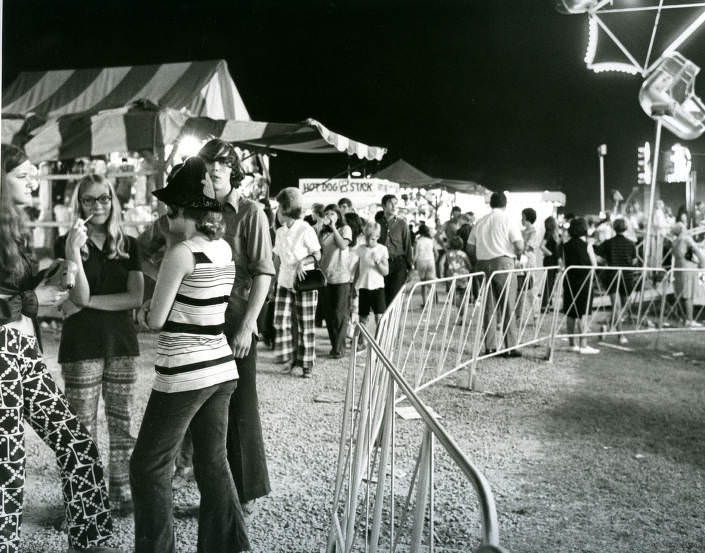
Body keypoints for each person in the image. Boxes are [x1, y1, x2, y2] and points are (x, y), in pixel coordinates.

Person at [0, 144, 121, 553]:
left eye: (34, 174)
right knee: (8, 468)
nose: (33, 181)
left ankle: (90, 540)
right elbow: (23, 297)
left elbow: (24, 289)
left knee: (76, 442)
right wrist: (37, 298)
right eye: (22, 176)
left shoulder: (15, 227)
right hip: (2, 355)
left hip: (24, 351)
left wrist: (68, 256)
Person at [131, 157, 249, 553]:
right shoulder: (223, 249)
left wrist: (146, 307)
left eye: (170, 210)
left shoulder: (180, 253)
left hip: (184, 371)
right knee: (213, 463)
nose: (166, 216)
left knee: (149, 466)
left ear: (185, 211)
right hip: (219, 367)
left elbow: (156, 320)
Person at [55, 174, 144, 514]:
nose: (98, 206)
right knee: (80, 429)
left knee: (122, 425)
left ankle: (121, 496)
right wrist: (72, 251)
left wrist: (87, 302)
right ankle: (83, 506)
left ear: (113, 200)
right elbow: (73, 292)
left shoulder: (128, 244)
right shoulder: (66, 242)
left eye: (104, 198)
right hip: (81, 346)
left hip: (121, 344)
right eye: (90, 200)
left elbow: (134, 297)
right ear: (79, 205)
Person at [467, 191, 524, 357]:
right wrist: (518, 255)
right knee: (507, 305)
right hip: (503, 263)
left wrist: (479, 259)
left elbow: (470, 247)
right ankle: (510, 347)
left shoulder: (481, 221)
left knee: (488, 307)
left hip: (483, 264)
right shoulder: (507, 219)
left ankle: (490, 347)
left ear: (490, 204)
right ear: (505, 204)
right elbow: (519, 245)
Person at [273, 187, 321, 378]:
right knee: (280, 321)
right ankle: (289, 359)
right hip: (284, 281)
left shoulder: (305, 228)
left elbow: (317, 254)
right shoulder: (279, 232)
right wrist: (271, 282)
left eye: (279, 207)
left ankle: (307, 364)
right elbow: (276, 259)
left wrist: (304, 262)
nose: (277, 212)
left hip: (305, 282)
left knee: (306, 324)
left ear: (287, 209)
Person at [594, 218, 637, 344]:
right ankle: (620, 334)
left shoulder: (608, 243)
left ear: (614, 228)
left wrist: (603, 261)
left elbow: (596, 253)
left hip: (612, 276)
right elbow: (634, 261)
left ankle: (608, 326)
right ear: (626, 228)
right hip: (627, 277)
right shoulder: (631, 243)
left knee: (616, 306)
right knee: (622, 306)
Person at [319, 204, 353, 358]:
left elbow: (343, 245)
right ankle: (336, 345)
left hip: (341, 277)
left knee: (340, 313)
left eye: (332, 213)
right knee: (329, 314)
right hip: (325, 277)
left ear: (338, 215)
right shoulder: (322, 233)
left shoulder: (344, 229)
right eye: (327, 213)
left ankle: (339, 348)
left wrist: (333, 228)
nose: (329, 216)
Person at [562, 217, 599, 354]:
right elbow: (594, 264)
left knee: (571, 313)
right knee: (583, 314)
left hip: (570, 282)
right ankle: (583, 344)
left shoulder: (565, 246)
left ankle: (572, 344)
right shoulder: (587, 245)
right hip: (585, 282)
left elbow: (563, 265)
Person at [353, 221, 389, 346]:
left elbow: (385, 272)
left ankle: (380, 342)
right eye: (367, 238)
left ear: (378, 237)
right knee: (363, 317)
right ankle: (362, 342)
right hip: (363, 286)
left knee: (379, 317)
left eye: (373, 238)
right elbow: (357, 268)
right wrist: (354, 284)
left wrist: (378, 262)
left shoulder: (382, 249)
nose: (369, 241)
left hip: (378, 287)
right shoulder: (360, 249)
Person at [378, 194, 412, 304]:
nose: (394, 206)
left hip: (398, 263)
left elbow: (408, 246)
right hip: (382, 263)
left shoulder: (402, 224)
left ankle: (393, 321)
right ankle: (385, 321)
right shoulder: (377, 224)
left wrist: (410, 267)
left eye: (395, 204)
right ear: (383, 206)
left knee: (394, 297)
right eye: (390, 204)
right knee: (383, 297)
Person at [671, 222, 705, 327]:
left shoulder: (675, 241)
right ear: (682, 229)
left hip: (679, 268)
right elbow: (696, 251)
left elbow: (685, 254)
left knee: (682, 294)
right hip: (688, 269)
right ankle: (690, 320)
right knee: (688, 295)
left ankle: (685, 319)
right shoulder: (686, 239)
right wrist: (702, 263)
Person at [439, 235, 472, 306]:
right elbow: (468, 264)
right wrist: (469, 270)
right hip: (463, 276)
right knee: (463, 292)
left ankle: (456, 302)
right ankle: (461, 306)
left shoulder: (447, 254)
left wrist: (441, 274)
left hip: (451, 276)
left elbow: (441, 263)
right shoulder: (463, 254)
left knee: (452, 292)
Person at [540, 216, 562, 312]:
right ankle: (545, 305)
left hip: (552, 260)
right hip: (550, 261)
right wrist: (550, 254)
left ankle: (548, 304)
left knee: (551, 283)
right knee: (548, 283)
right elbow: (541, 246)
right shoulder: (548, 233)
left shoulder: (553, 234)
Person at [413, 223, 437, 307]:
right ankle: (433, 301)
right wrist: (434, 261)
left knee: (423, 283)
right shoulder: (431, 240)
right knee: (431, 283)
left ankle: (424, 302)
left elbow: (416, 255)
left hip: (421, 262)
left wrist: (412, 264)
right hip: (430, 261)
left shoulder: (418, 241)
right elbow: (436, 253)